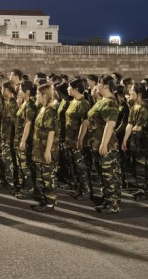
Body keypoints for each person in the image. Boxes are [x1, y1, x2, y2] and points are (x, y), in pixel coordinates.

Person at [88, 75, 121, 214]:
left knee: (109, 175)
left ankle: (113, 204)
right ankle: (107, 201)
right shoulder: (102, 101)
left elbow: (110, 124)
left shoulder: (110, 102)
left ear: (106, 86)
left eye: (99, 84)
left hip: (107, 145)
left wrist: (104, 144)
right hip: (97, 143)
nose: (97, 86)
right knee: (103, 175)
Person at [122, 82, 148, 201]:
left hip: (146, 143)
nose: (130, 92)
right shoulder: (134, 106)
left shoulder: (144, 108)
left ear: (138, 94)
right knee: (139, 167)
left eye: (132, 90)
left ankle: (147, 191)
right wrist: (125, 139)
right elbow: (130, 124)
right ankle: (141, 190)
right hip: (138, 142)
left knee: (147, 168)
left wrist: (130, 137)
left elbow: (138, 127)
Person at [31, 84, 59, 212]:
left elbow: (51, 132)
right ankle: (45, 200)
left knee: (48, 177)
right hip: (39, 148)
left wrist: (48, 150)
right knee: (42, 176)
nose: (36, 96)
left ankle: (50, 203)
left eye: (38, 94)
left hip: (46, 149)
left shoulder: (50, 111)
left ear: (45, 96)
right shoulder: (43, 109)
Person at [64, 77, 91, 200]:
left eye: (69, 87)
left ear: (75, 89)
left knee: (81, 167)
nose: (67, 89)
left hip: (77, 140)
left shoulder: (83, 104)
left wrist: (80, 140)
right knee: (74, 166)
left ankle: (86, 190)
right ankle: (79, 188)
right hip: (70, 139)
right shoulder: (73, 101)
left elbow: (84, 123)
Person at [15, 79, 38, 199]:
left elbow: (28, 123)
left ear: (27, 91)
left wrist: (23, 141)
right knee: (21, 165)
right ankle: (23, 187)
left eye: (21, 90)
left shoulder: (30, 105)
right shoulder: (25, 103)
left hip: (25, 140)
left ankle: (29, 189)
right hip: (19, 138)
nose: (19, 92)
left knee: (25, 166)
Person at [0, 81, 18, 192]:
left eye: (3, 89)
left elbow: (12, 123)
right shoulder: (7, 102)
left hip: (9, 137)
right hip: (6, 136)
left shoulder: (12, 104)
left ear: (7, 90)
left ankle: (11, 182)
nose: (2, 91)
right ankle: (8, 180)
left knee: (8, 160)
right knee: (5, 159)